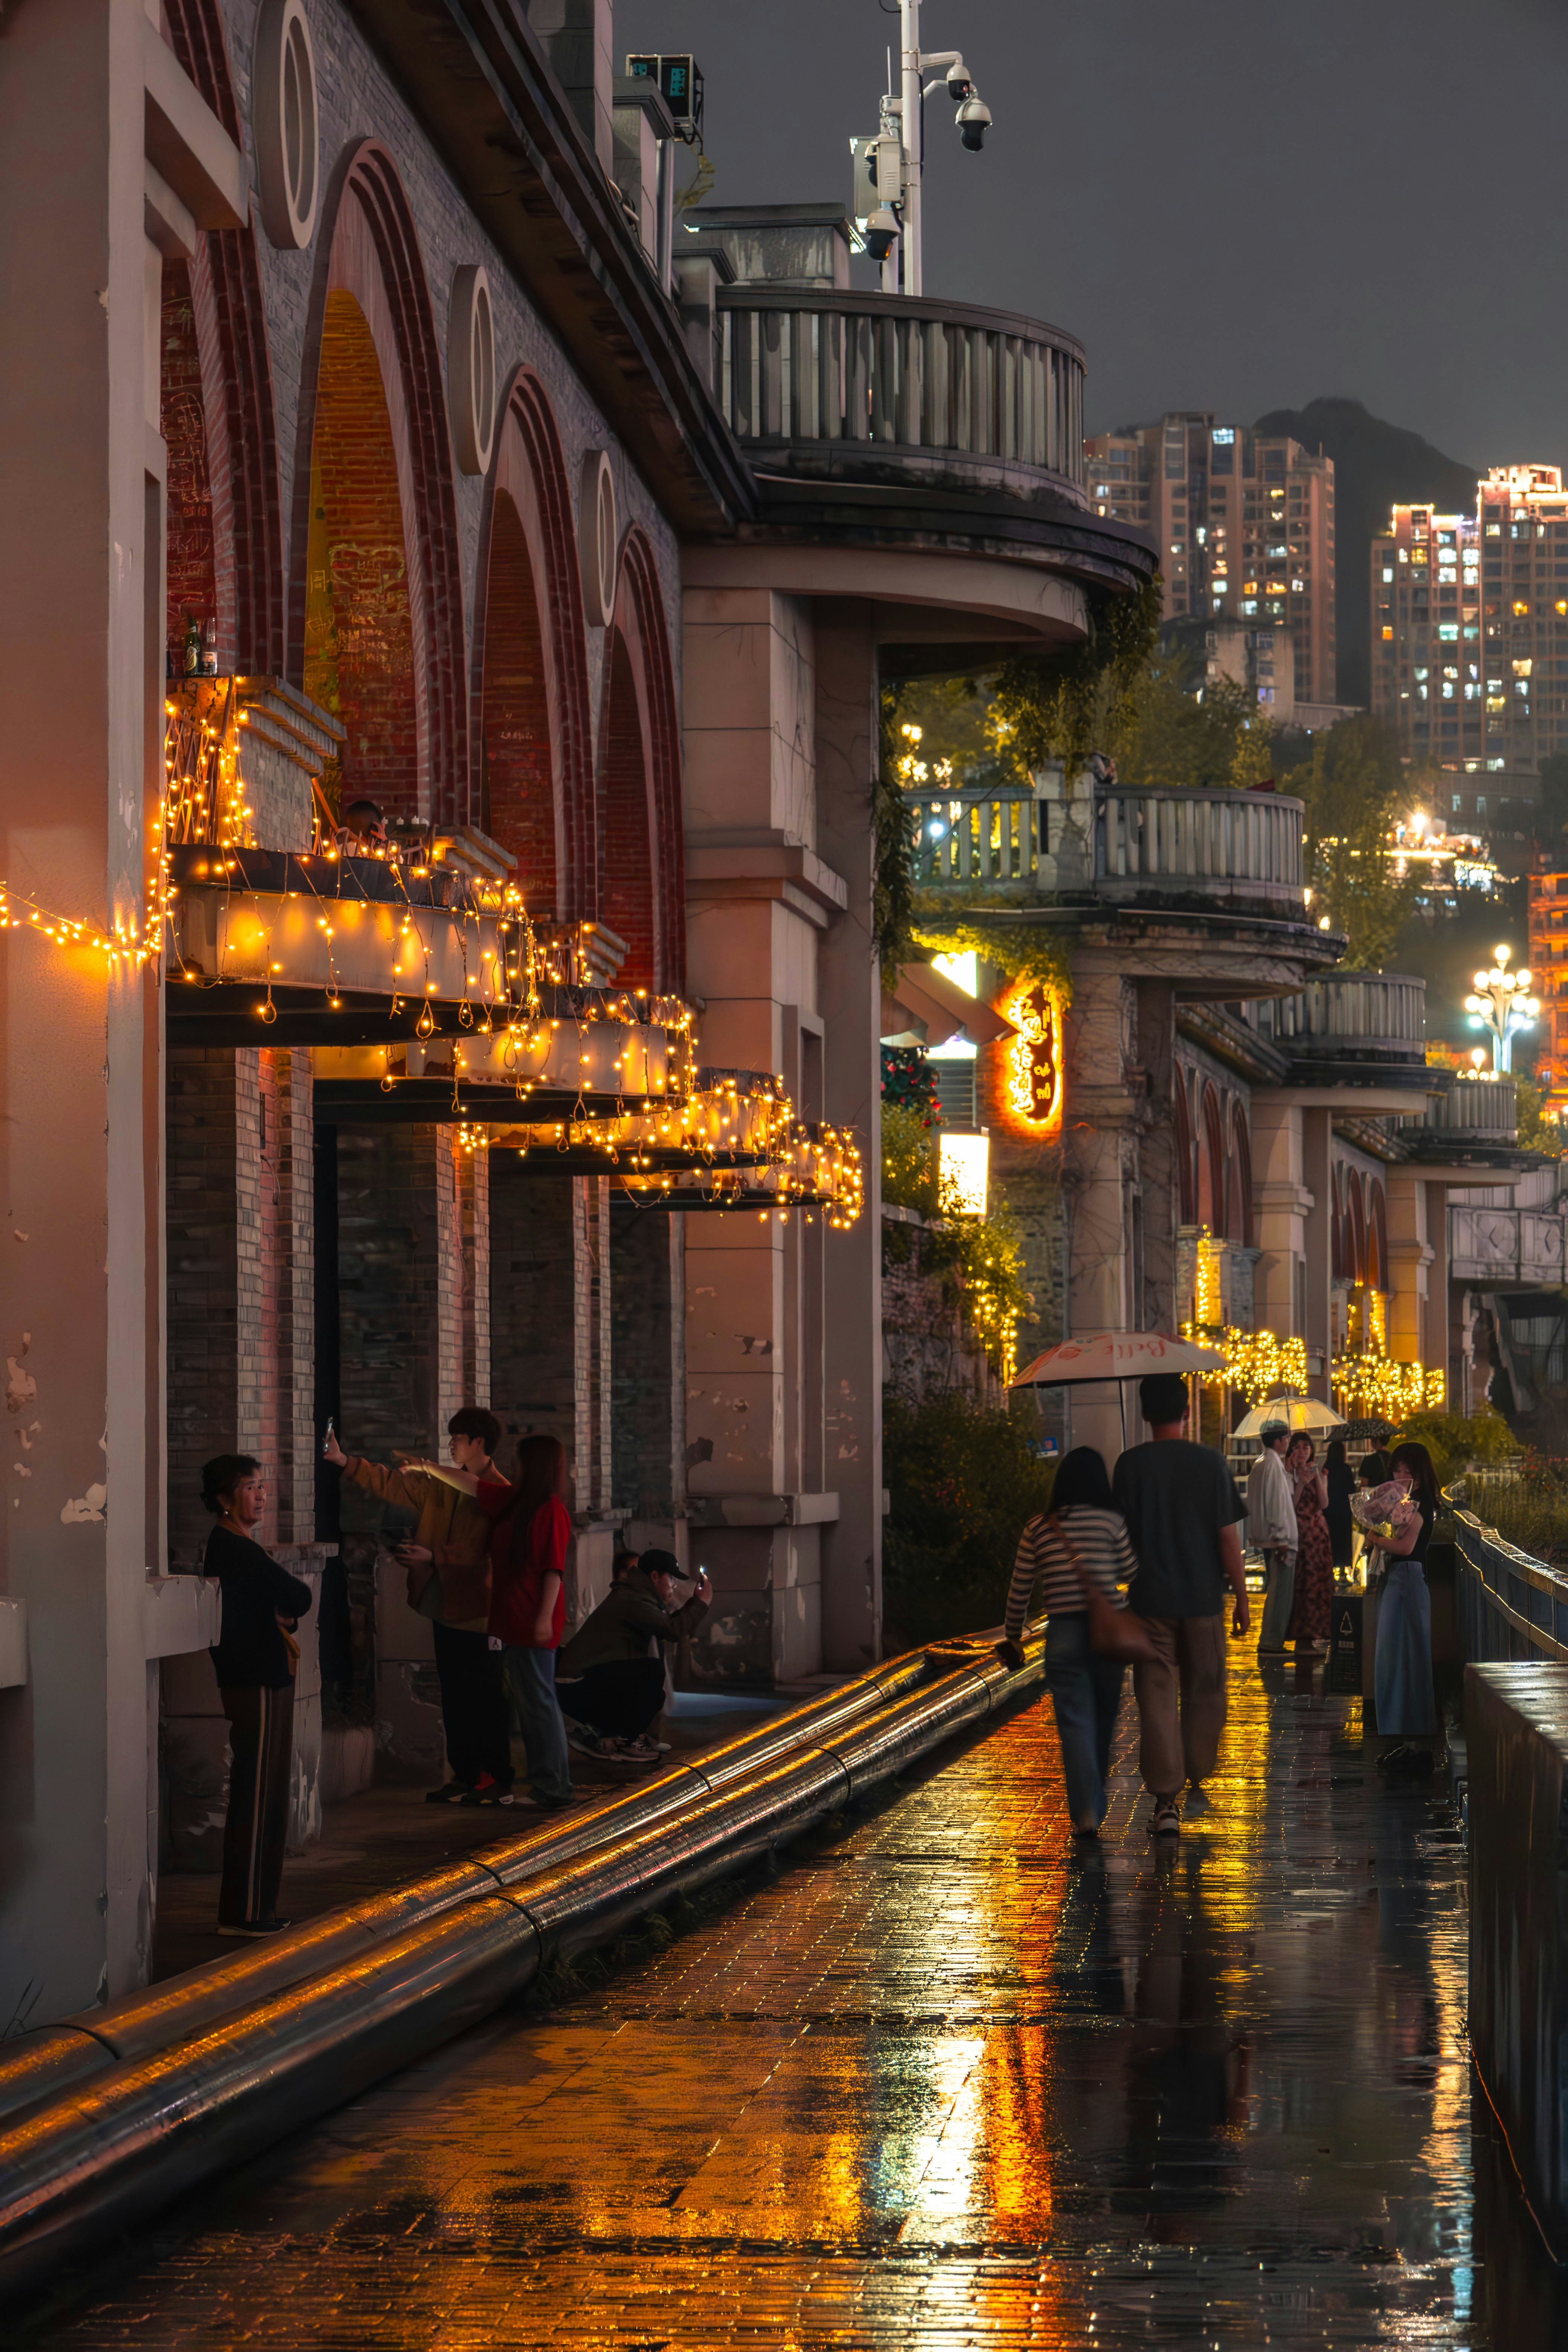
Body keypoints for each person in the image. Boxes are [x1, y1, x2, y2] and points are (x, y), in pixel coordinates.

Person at [323, 1408, 512, 1806]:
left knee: (485, 1696)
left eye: (456, 1438)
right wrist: (344, 1463)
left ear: (478, 1442)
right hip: (446, 1607)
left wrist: (435, 1558)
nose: (450, 1445)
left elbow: (496, 1562)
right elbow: (394, 1486)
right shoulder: (443, 1484)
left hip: (481, 1612)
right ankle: (464, 1776)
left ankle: (495, 1779)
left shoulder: (499, 1492)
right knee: (456, 1695)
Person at [1112, 1374, 1250, 1839]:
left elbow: (1119, 1538)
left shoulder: (1128, 1467)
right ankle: (1197, 1771)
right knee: (1206, 1689)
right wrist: (1243, 1598)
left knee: (1155, 1698)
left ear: (1144, 1413)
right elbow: (1226, 1539)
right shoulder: (1209, 1463)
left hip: (1148, 1601)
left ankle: (1165, 1801)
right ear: (1186, 1411)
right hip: (1202, 1599)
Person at [200, 1454, 314, 1939]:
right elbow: (298, 1597)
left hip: (261, 1675)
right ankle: (247, 1911)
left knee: (265, 1793)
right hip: (256, 1678)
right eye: (250, 1487)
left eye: (262, 1486)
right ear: (225, 1499)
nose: (261, 1495)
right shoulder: (236, 1548)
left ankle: (255, 1908)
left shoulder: (241, 1546)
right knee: (258, 1793)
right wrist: (281, 1613)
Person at [1003, 1446, 1138, 1841]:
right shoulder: (1111, 1521)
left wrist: (1013, 1635)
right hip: (1108, 1634)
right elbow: (1131, 1570)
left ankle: (1085, 1811)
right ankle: (1094, 1800)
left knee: (1075, 1722)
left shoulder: (1038, 1528)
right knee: (1104, 1720)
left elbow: (1019, 1589)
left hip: (1062, 1634)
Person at [487, 1432, 576, 1810]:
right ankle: (548, 1781)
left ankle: (553, 1785)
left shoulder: (549, 1510)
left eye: (521, 1462)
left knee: (539, 1701)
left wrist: (542, 1619)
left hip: (532, 1620)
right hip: (515, 1618)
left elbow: (552, 1569)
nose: (514, 1468)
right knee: (531, 1701)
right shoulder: (521, 1504)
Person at [556, 1549, 713, 1762]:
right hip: (576, 1688)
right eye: (672, 1578)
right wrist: (701, 1603)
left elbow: (667, 1625)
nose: (675, 1585)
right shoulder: (632, 1600)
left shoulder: (636, 1596)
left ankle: (613, 1737)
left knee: (650, 1684)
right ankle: (627, 1740)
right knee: (650, 1673)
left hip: (580, 1685)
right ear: (655, 1577)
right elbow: (673, 1630)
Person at [1363, 1439, 1439, 1774]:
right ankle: (1409, 1743)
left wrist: (1375, 1539)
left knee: (1409, 1661)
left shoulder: (1419, 1507)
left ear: (1421, 1474)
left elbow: (1407, 1548)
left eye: (1408, 1471)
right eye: (1397, 1470)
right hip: (1398, 1583)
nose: (1402, 1476)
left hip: (1407, 1581)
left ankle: (1419, 1746)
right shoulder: (1404, 1504)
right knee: (1398, 1661)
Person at [1246, 1421, 1298, 1654]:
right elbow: (1276, 1504)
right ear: (1278, 1441)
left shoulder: (1262, 1463)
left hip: (1266, 1537)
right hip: (1277, 1539)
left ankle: (1271, 1639)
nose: (1288, 1442)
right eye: (1286, 1438)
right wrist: (1283, 1538)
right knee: (1280, 1592)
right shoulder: (1272, 1464)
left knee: (1276, 1589)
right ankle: (1272, 1641)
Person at [1285, 1433, 1332, 1654]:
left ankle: (1318, 1632)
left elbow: (1323, 1503)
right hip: (1299, 1533)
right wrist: (1302, 1483)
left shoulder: (1319, 1472)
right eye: (1298, 1447)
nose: (1303, 1451)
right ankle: (1302, 1637)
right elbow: (1289, 1507)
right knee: (1304, 1583)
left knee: (1320, 1584)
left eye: (1307, 1447)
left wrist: (1319, 1479)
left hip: (1318, 1533)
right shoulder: (1289, 1473)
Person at [1324, 1438, 1355, 1570]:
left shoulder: (1325, 1469)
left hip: (1329, 1510)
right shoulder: (1346, 1469)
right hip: (1344, 1510)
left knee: (1330, 1540)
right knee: (1343, 1539)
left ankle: (1329, 1569)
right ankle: (1343, 1570)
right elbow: (1352, 1491)